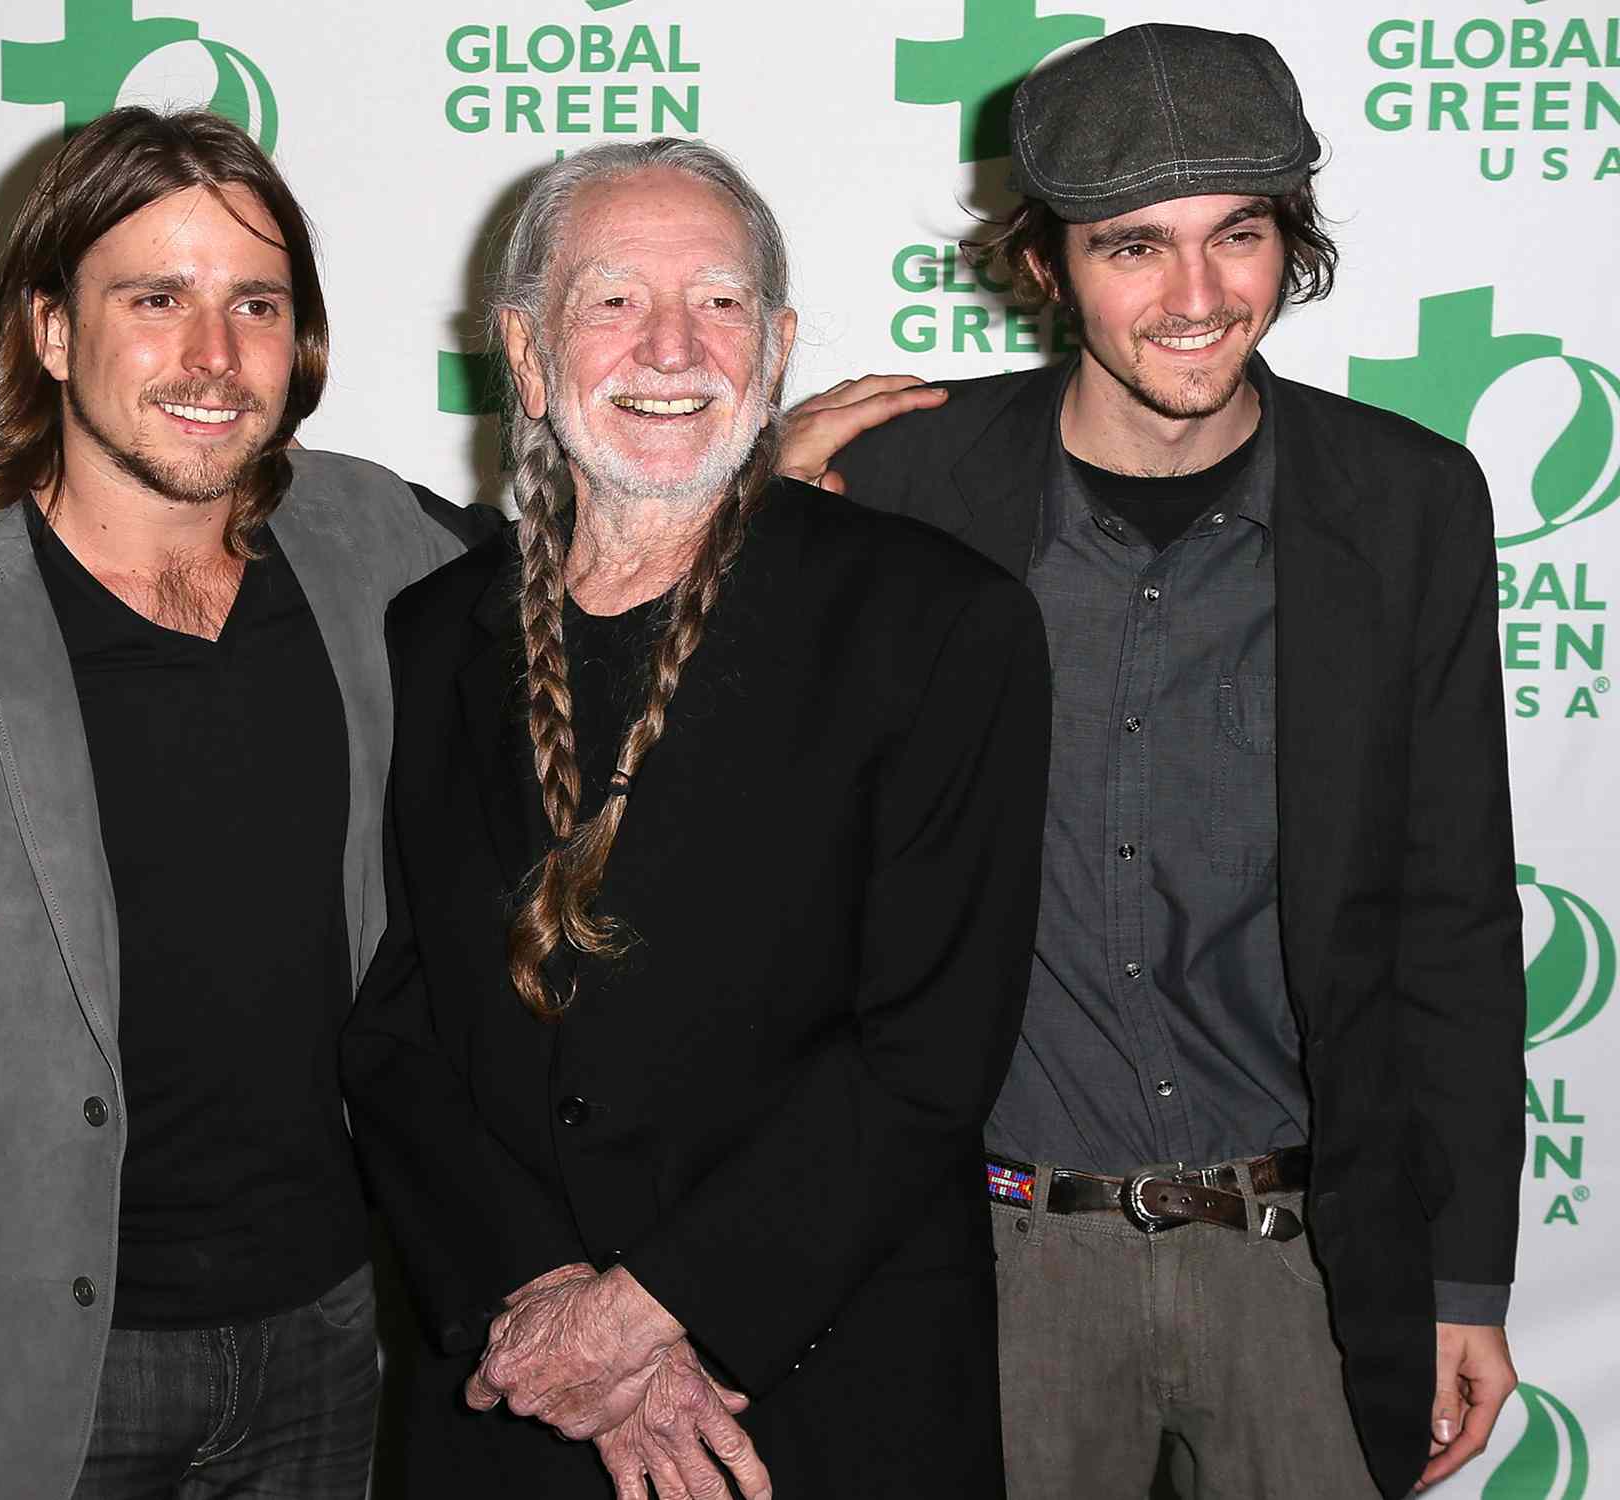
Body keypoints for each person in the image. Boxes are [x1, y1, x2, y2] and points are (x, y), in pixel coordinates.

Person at [781, 24, 1524, 1500]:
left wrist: (1467, 1283)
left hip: (1303, 1266)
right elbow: (751, 864)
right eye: (1135, 246)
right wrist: (750, 534)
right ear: (1046, 264)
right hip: (979, 1264)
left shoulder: (1406, 504)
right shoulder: (901, 489)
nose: (1198, 298)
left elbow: (1452, 912)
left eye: (1237, 235)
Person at [0, 108, 481, 1500]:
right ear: (51, 331)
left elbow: (609, 579)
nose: (211, 357)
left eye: (256, 303)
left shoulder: (383, 548)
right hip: (19, 1370)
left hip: (333, 1341)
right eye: (156, 300)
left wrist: (765, 463)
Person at [340, 137, 1049, 1499]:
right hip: (514, 1398)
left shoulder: (936, 624)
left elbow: (930, 1047)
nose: (671, 346)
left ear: (773, 349)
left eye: (719, 303)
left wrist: (651, 1311)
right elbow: (400, 1024)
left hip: (810, 1398)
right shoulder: (432, 636)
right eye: (611, 302)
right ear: (528, 354)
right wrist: (544, 1304)